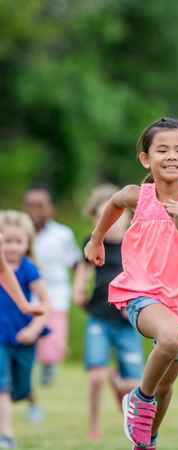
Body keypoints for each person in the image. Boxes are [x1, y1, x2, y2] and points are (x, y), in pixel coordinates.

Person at [84, 117, 178, 450]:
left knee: (165, 386)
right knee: (170, 339)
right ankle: (138, 398)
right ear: (146, 159)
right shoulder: (137, 196)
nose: (171, 156)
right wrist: (96, 239)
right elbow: (114, 202)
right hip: (141, 291)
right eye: (162, 149)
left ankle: (145, 442)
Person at [73, 184, 144, 442]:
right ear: (96, 218)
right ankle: (94, 424)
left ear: (128, 216)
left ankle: (124, 397)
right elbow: (84, 270)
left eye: (117, 215)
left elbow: (144, 277)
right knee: (95, 377)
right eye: (104, 216)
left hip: (128, 322)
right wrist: (78, 289)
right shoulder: (93, 242)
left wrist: (137, 304)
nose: (112, 222)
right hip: (100, 318)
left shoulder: (135, 244)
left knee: (133, 383)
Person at [0, 211, 49, 449]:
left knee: (21, 387)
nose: (11, 247)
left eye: (17, 241)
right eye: (6, 241)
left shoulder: (29, 269)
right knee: (2, 385)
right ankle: (7, 435)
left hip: (23, 336)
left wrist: (34, 328)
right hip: (0, 336)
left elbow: (44, 304)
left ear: (27, 243)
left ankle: (29, 401)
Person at [24, 186, 81, 385]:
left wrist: (80, 286)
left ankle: (48, 368)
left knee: (52, 340)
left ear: (50, 209)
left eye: (40, 206)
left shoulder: (62, 234)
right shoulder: (20, 234)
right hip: (26, 295)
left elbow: (75, 263)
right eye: (30, 206)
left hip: (56, 295)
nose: (35, 211)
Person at [0, 233, 45, 316]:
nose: (13, 247)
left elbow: (2, 269)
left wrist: (24, 305)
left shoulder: (28, 267)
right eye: (8, 241)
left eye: (18, 242)